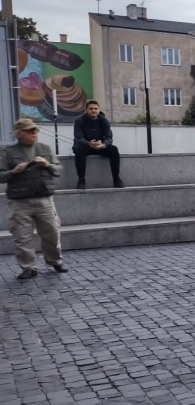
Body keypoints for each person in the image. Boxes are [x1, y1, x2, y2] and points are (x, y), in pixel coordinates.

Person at [0, 118, 67, 278]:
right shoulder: (8, 152)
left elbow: (58, 170)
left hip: (44, 200)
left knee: (52, 233)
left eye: (35, 130)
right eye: (29, 131)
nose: (33, 133)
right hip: (19, 202)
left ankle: (55, 260)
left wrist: (47, 164)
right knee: (22, 236)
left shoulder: (45, 148)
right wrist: (13, 171)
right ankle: (28, 268)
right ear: (18, 133)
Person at [72, 100, 124, 189]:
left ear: (99, 110)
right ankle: (81, 180)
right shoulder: (79, 120)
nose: (93, 111)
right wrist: (89, 143)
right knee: (79, 150)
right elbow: (78, 137)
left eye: (96, 109)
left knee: (114, 149)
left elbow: (109, 137)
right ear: (86, 110)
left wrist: (103, 144)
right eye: (91, 108)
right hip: (86, 146)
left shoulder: (104, 121)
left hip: (100, 146)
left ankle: (116, 178)